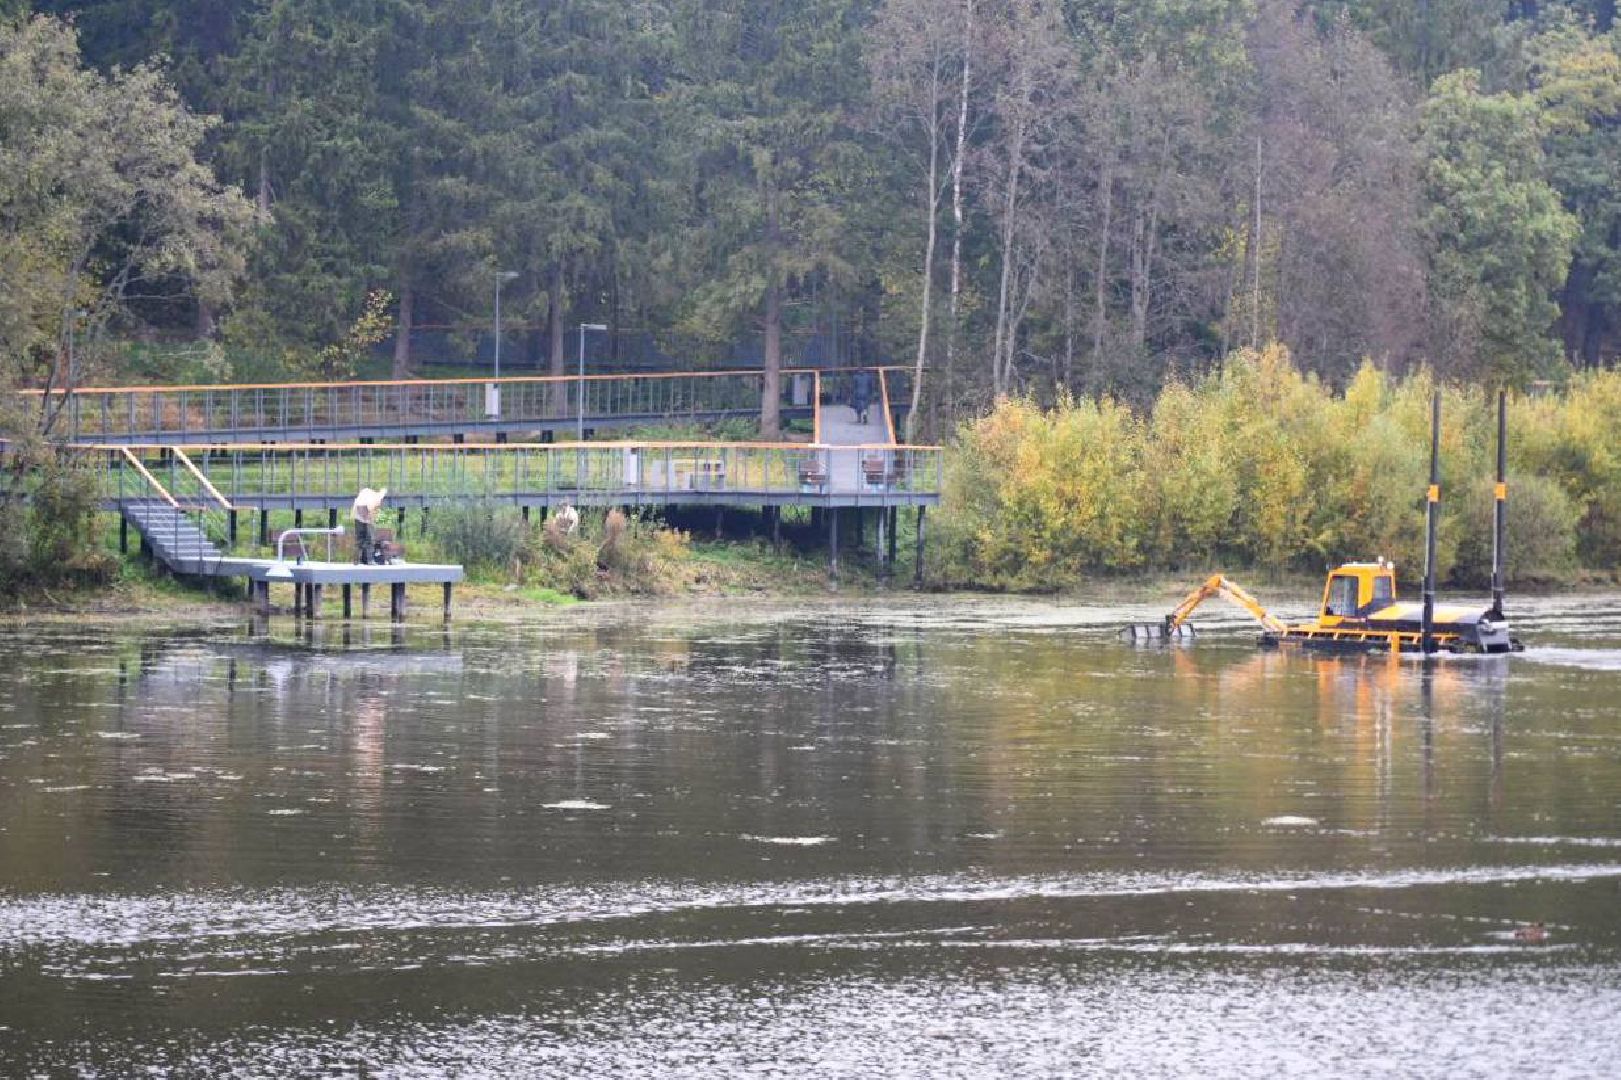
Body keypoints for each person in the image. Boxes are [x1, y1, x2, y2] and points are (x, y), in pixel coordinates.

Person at [352, 487, 387, 564]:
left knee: (360, 539)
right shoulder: (375, 499)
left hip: (358, 516)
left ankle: (357, 560)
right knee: (370, 539)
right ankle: (369, 559)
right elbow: (369, 513)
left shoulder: (367, 494)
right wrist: (371, 521)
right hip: (363, 514)